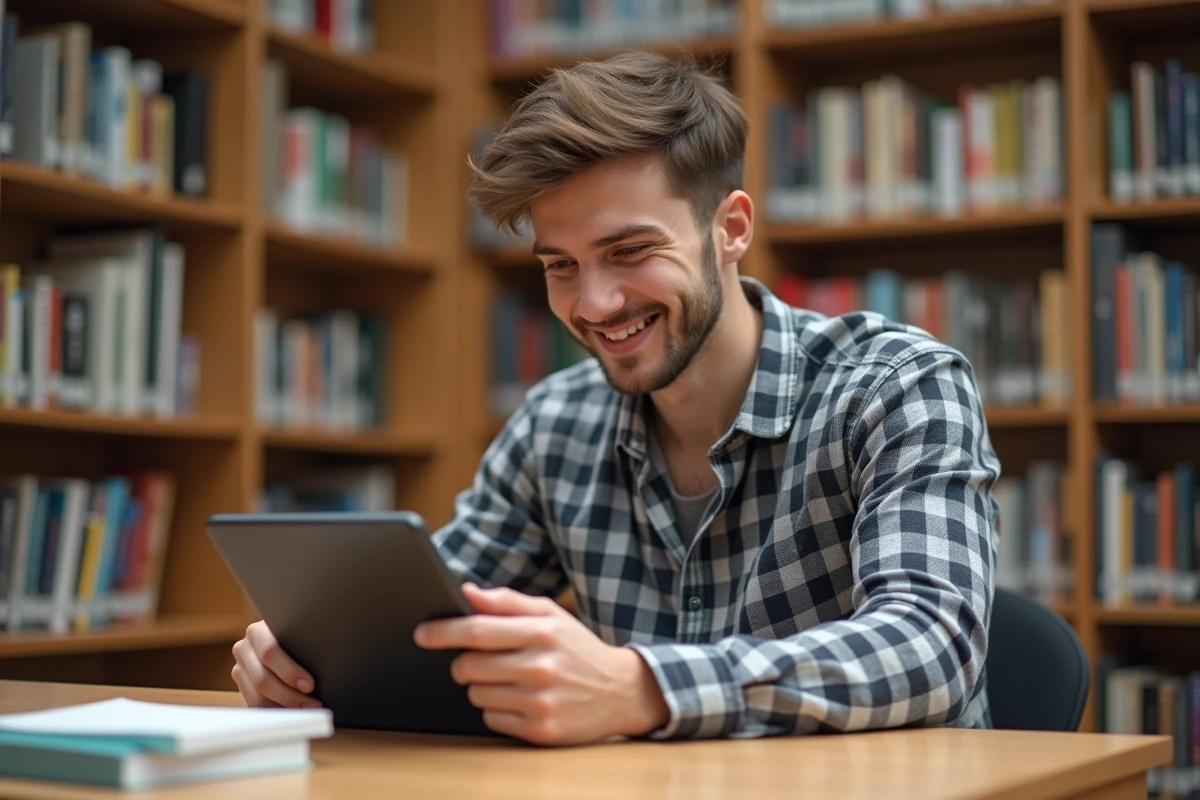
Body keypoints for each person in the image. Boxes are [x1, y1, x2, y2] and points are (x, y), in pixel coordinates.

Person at [232, 51, 1001, 746]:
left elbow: (932, 646)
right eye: (559, 265)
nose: (595, 304)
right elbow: (427, 626)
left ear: (729, 229)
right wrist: (309, 657)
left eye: (629, 252)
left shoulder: (899, 386)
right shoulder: (554, 425)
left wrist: (641, 689)